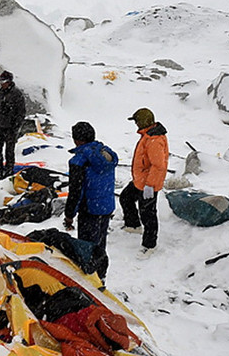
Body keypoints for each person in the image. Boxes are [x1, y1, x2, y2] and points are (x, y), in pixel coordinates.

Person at [63, 121, 119, 280]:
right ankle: (100, 276)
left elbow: (76, 192)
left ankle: (90, 281)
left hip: (90, 210)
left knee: (86, 249)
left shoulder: (79, 161)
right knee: (100, 244)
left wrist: (69, 215)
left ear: (77, 140)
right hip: (106, 207)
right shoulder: (105, 154)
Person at [119, 108, 169, 254]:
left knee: (148, 214)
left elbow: (158, 165)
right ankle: (133, 225)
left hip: (148, 183)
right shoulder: (148, 135)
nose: (135, 124)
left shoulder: (154, 140)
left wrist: (150, 186)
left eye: (136, 121)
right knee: (126, 198)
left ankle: (149, 245)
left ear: (142, 122)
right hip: (140, 181)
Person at [0, 70, 26, 180]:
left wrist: (15, 126)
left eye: (4, 81)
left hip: (10, 128)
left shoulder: (17, 94)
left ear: (9, 81)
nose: (1, 83)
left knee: (9, 152)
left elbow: (21, 112)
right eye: (0, 81)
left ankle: (9, 171)